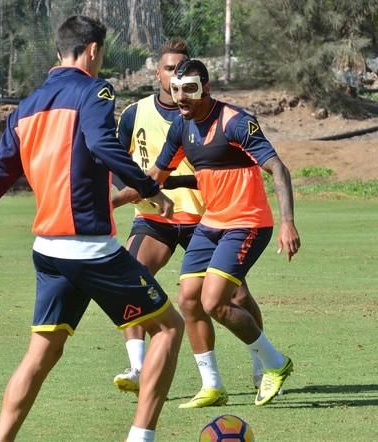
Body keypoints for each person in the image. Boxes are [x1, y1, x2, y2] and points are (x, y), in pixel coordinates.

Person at [0, 16, 184, 442]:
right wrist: (150, 188)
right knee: (169, 327)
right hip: (92, 250)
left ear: (60, 51)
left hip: (49, 252)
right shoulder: (96, 89)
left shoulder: (27, 106)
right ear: (93, 50)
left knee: (42, 353)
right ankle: (141, 438)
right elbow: (100, 142)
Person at [111, 39, 268, 394]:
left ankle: (263, 365)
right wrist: (134, 194)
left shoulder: (213, 116)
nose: (175, 77)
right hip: (156, 218)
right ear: (159, 73)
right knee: (129, 280)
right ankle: (138, 367)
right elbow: (118, 164)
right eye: (169, 69)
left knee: (236, 297)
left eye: (183, 70)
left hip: (208, 216)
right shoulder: (135, 113)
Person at [147, 59, 301, 408]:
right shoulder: (180, 127)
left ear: (206, 88)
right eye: (176, 89)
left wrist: (288, 222)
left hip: (247, 222)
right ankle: (213, 386)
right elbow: (154, 176)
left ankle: (275, 364)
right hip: (211, 223)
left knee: (214, 301)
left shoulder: (235, 122)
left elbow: (278, 167)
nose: (181, 97)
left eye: (190, 89)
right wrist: (107, 199)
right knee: (188, 299)